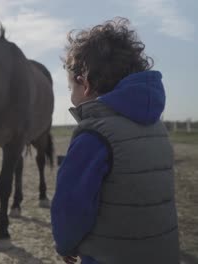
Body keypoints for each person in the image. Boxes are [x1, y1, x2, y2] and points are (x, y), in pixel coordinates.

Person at [51, 17, 179, 264]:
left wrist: (65, 242)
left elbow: (71, 206)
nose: (71, 97)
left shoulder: (93, 135)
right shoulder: (156, 128)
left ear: (84, 84)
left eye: (70, 89)